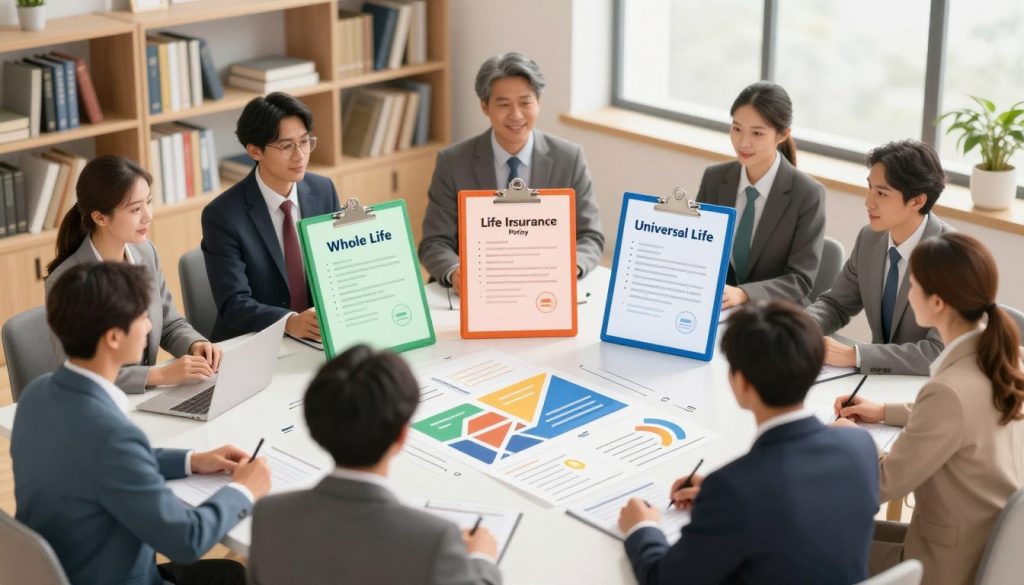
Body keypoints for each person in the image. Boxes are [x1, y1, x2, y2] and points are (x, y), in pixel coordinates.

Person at [11, 262, 272, 585]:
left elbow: (100, 462)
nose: (150, 326)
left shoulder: (36, 395)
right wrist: (244, 490)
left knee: (229, 573)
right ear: (113, 338)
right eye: (142, 317)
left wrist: (192, 461)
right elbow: (187, 540)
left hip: (72, 568)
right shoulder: (112, 437)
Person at [619, 301, 878, 584]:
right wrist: (720, 499)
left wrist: (642, 528)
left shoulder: (734, 489)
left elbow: (666, 580)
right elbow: (801, 510)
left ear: (740, 382)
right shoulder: (859, 445)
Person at [834, 232, 1024, 585]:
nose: (908, 293)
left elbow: (881, 483)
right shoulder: (1004, 357)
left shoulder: (948, 393)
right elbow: (967, 414)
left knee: (810, 540)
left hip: (940, 566)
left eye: (914, 285)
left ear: (936, 302)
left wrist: (852, 440)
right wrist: (886, 411)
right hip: (977, 543)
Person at [248, 345, 502, 585]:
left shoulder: (268, 513)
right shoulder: (435, 538)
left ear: (315, 426)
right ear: (402, 436)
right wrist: (482, 560)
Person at [418, 52, 604, 291]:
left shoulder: (569, 158)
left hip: (545, 286)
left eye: (526, 103)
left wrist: (570, 267)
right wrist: (455, 272)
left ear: (539, 102)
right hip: (476, 288)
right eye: (503, 104)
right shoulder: (453, 162)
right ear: (485, 107)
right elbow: (434, 242)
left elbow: (590, 236)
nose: (516, 115)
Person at [45, 155, 219, 393]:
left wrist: (195, 344)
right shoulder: (68, 281)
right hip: (100, 402)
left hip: (148, 397)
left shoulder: (145, 253)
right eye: (135, 209)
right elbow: (79, 373)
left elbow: (169, 324)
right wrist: (157, 375)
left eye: (149, 202)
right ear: (100, 217)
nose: (147, 215)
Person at [202, 92, 340, 342]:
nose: (300, 156)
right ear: (255, 151)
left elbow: (338, 266)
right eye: (286, 146)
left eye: (305, 141)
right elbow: (234, 302)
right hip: (255, 341)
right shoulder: (222, 215)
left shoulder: (323, 191)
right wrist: (289, 322)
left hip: (317, 337)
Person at [807, 140, 951, 375]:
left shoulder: (950, 256)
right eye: (870, 188)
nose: (868, 202)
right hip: (874, 382)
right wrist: (798, 328)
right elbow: (837, 304)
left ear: (917, 201)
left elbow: (937, 352)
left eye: (882, 193)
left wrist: (854, 355)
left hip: (921, 389)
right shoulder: (870, 238)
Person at [696, 81, 826, 307]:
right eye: (737, 128)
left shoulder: (807, 194)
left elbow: (800, 279)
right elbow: (698, 249)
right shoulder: (714, 178)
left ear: (783, 134)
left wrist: (744, 294)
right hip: (716, 308)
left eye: (757, 133)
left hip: (773, 315)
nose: (743, 142)